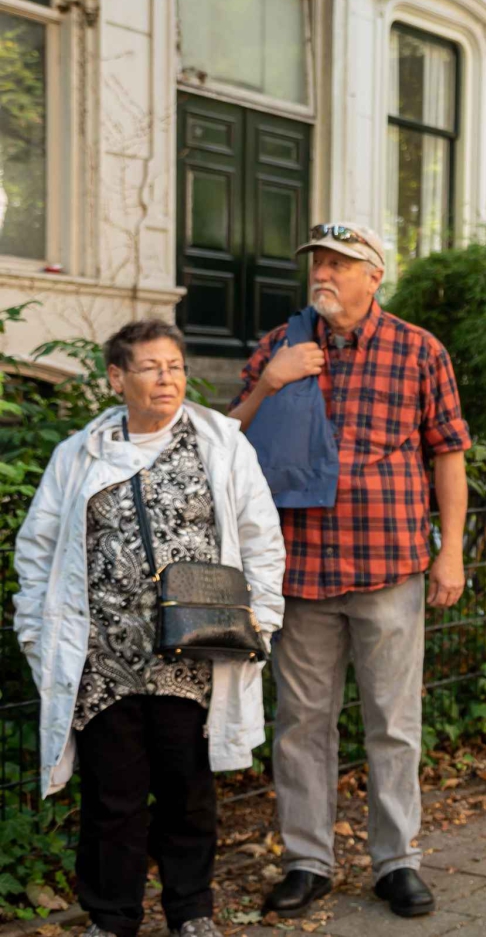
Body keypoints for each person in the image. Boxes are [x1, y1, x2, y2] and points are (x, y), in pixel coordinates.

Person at [228, 223, 472, 919]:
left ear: (375, 275)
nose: (323, 275)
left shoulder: (418, 349)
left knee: (394, 722)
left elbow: (448, 451)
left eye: (339, 264)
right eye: (317, 264)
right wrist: (269, 383)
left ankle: (397, 860)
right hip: (300, 569)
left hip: (388, 563)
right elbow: (229, 443)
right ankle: (308, 858)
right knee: (303, 723)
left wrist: (450, 549)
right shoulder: (280, 346)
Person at [14, 320, 286, 937]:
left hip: (192, 655)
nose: (168, 378)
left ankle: (192, 912)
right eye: (151, 367)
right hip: (102, 659)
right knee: (113, 799)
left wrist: (262, 621)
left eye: (176, 366)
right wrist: (37, 633)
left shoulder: (221, 444)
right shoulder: (79, 453)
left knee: (187, 792)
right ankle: (111, 920)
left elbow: (260, 538)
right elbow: (38, 548)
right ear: (117, 378)